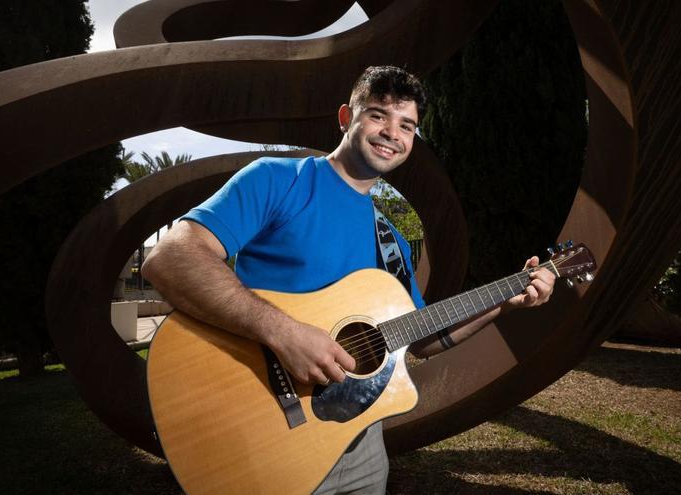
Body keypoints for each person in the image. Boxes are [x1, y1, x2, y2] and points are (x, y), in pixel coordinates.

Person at [141, 65, 555, 495]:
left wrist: (507, 300)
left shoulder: (389, 240)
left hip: (362, 448)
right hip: (263, 433)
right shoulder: (279, 180)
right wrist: (282, 331)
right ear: (345, 118)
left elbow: (422, 338)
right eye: (378, 115)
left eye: (407, 125)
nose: (392, 132)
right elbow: (170, 258)